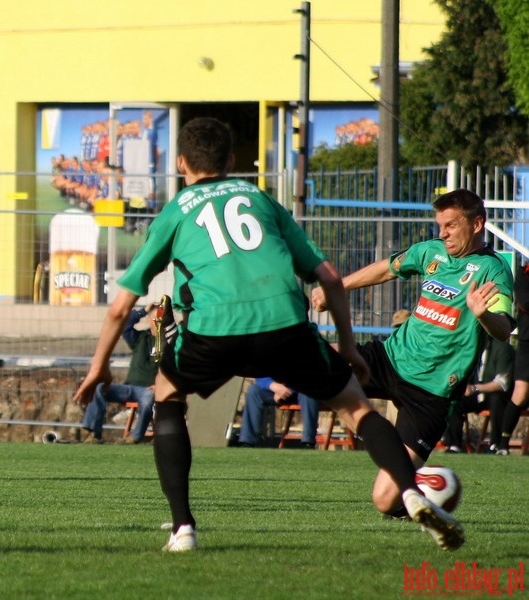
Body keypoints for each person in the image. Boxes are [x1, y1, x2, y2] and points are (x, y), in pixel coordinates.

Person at [73, 117, 463, 553]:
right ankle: (411, 494)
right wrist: (349, 348)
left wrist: (97, 367)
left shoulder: (177, 210)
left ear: (181, 162)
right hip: (284, 323)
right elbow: (330, 278)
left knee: (167, 395)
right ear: (232, 161)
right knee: (355, 407)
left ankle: (183, 528)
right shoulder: (260, 198)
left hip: (215, 327)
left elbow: (120, 308)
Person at [311, 188, 514, 517]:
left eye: (451, 225)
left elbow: (503, 329)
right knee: (312, 359)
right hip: (390, 359)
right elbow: (387, 269)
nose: (442, 233)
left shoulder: (494, 271)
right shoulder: (430, 252)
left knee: (385, 501)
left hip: (432, 391)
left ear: (478, 224)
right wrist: (336, 286)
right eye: (439, 225)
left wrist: (483, 315)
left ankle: (440, 486)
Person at [78, 302, 157, 444]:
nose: (156, 321)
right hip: (128, 387)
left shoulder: (169, 341)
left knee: (148, 399)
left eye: (159, 318)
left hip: (149, 389)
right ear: (148, 320)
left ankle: (134, 438)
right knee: (99, 388)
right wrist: (143, 311)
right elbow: (124, 324)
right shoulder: (140, 338)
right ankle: (94, 434)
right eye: (153, 318)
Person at [443, 336, 514, 454]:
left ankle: (496, 445)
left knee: (497, 400)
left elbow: (503, 383)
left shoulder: (502, 348)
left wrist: (475, 388)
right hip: (473, 395)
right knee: (453, 400)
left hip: (493, 395)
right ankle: (453, 445)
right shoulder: (468, 347)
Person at [238, 378, 320, 448]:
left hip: (304, 389)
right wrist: (273, 386)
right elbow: (260, 375)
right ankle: (247, 442)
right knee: (254, 391)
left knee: (309, 393)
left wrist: (287, 390)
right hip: (276, 389)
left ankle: (308, 443)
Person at [499, 261, 529, 453]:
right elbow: (525, 302)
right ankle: (502, 444)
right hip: (527, 342)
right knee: (521, 393)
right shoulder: (524, 273)